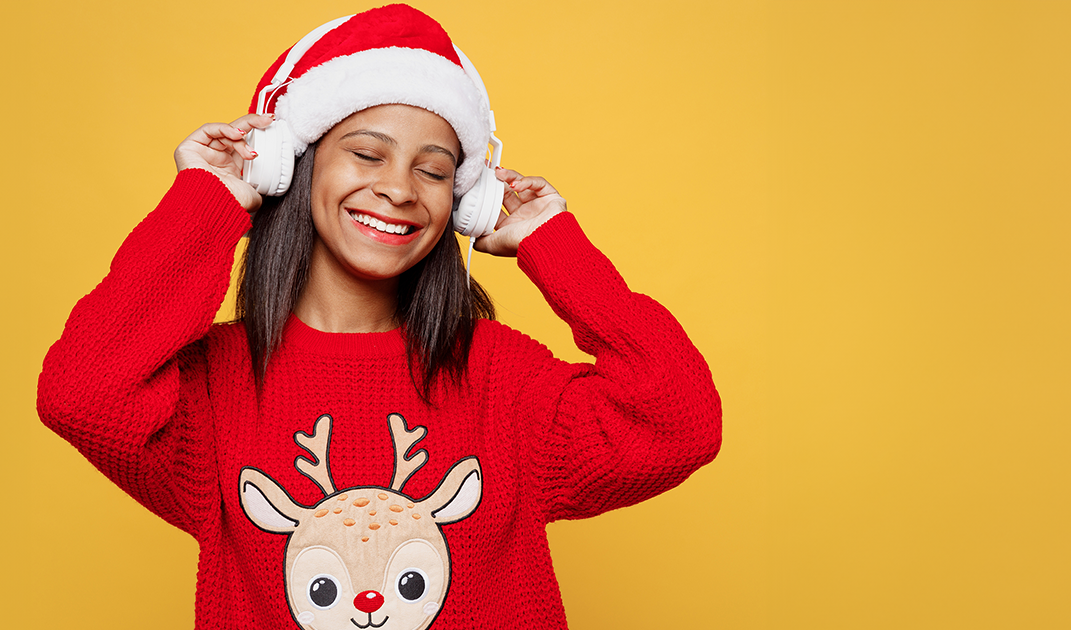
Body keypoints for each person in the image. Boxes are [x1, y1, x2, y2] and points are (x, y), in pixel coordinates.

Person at [37, 5, 721, 629]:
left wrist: (553, 241)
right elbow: (82, 394)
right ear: (291, 168)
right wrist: (206, 202)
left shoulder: (502, 380)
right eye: (367, 153)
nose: (398, 188)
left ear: (463, 203)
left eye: (434, 170)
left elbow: (681, 423)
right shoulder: (217, 390)